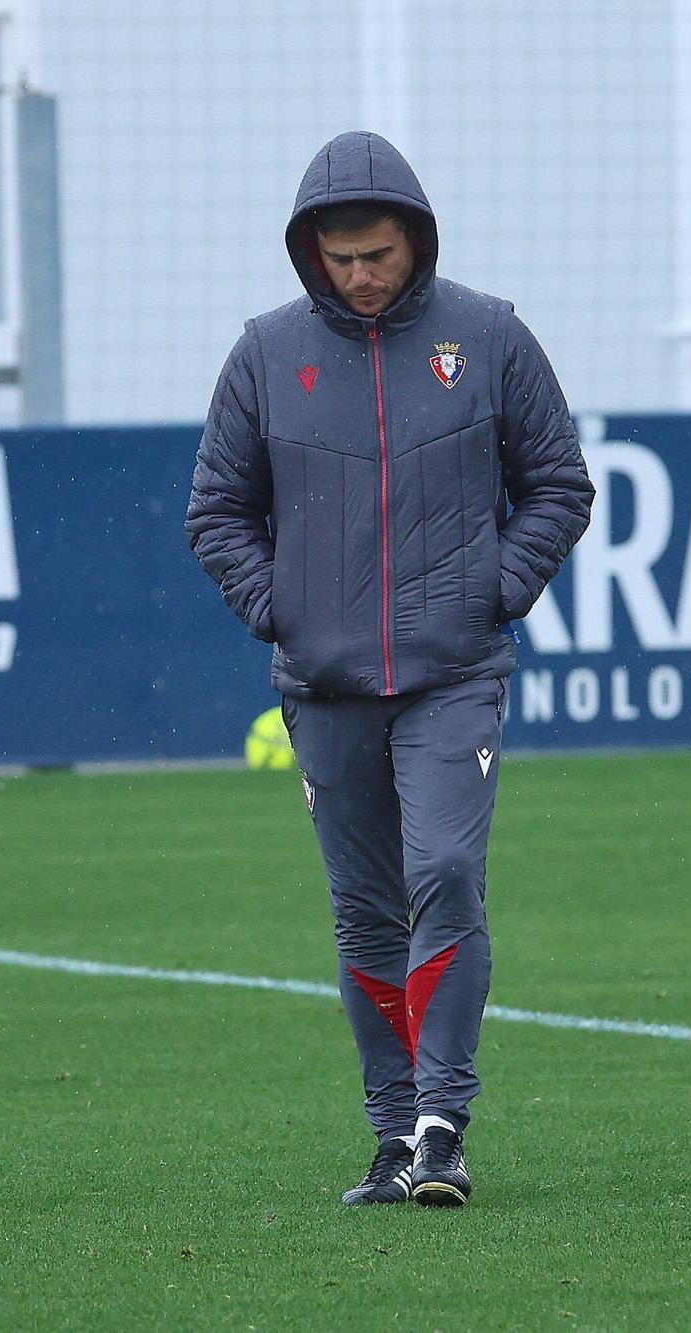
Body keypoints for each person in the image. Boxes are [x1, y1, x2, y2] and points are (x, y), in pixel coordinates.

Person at [186, 131, 593, 1207]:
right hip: (323, 689)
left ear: (414, 239)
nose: (361, 275)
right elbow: (215, 511)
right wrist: (280, 610)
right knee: (365, 912)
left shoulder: (489, 337)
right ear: (309, 253)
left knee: (445, 874)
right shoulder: (264, 354)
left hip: (453, 672)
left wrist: (492, 587)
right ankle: (391, 1132)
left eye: (377, 254)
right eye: (341, 258)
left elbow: (559, 483)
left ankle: (441, 1125)